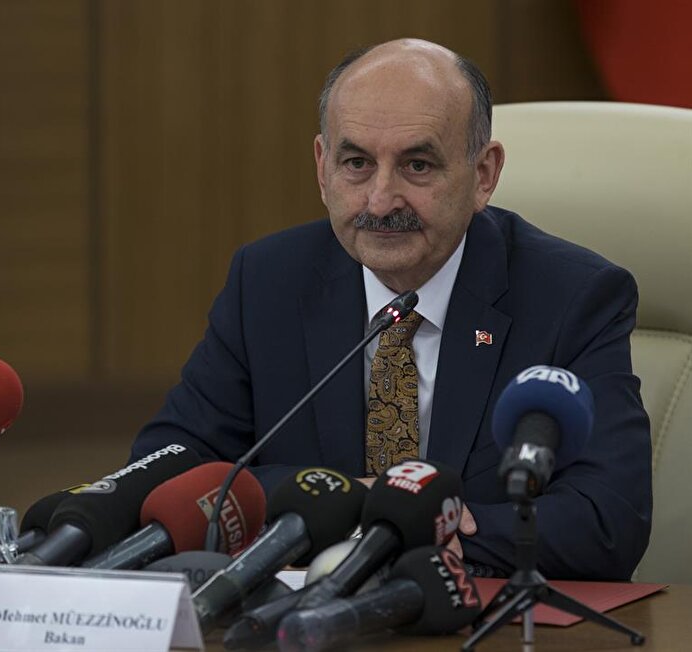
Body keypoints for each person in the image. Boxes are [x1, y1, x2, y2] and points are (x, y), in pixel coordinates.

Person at [129, 39, 651, 580]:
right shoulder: (267, 282)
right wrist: (349, 502)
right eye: (356, 163)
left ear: (484, 174)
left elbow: (607, 521)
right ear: (321, 166)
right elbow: (165, 472)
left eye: (417, 165)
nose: (380, 200)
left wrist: (408, 529)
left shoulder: (573, 298)